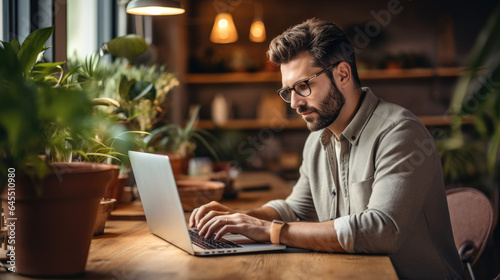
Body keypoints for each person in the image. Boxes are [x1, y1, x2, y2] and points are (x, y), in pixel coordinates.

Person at [189, 18, 463, 279]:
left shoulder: (399, 133)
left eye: (303, 86)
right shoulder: (318, 138)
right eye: (288, 91)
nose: (294, 103)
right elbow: (296, 209)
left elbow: (381, 230)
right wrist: (240, 219)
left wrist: (270, 231)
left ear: (342, 74)